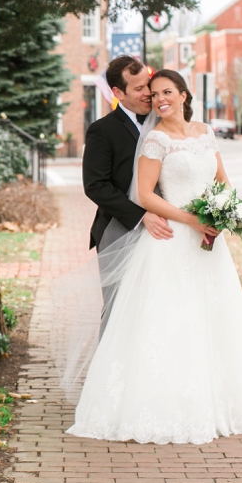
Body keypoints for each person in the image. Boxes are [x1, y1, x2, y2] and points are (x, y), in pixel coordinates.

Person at [66, 69, 242, 444]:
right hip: (170, 238)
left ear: (184, 95)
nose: (159, 98)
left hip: (208, 242)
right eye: (154, 93)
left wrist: (225, 212)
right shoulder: (155, 140)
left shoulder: (205, 133)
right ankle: (168, 398)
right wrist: (193, 220)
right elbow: (147, 195)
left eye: (167, 91)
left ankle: (224, 395)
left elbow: (222, 182)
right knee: (168, 318)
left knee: (218, 313)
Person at [81, 56, 173, 336]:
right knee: (119, 310)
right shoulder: (102, 131)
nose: (148, 93)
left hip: (167, 232)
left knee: (161, 309)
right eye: (138, 89)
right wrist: (142, 216)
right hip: (118, 232)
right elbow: (95, 185)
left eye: (148, 85)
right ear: (118, 93)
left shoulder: (166, 123)